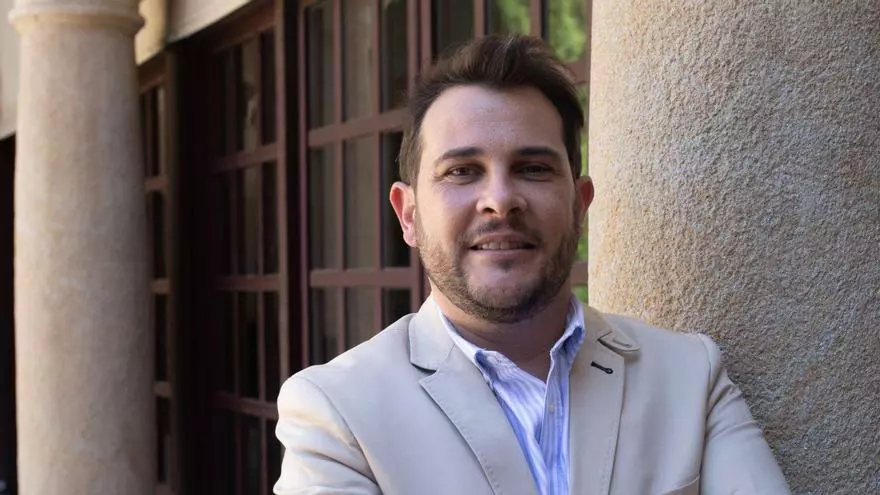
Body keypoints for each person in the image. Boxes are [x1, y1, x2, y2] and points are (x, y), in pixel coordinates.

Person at [274, 34, 789, 495]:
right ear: (408, 215)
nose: (500, 200)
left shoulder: (690, 376)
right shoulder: (337, 412)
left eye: (534, 168)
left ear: (579, 206)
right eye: (462, 171)